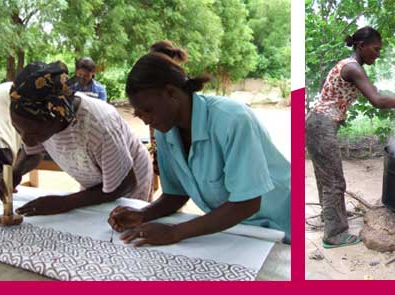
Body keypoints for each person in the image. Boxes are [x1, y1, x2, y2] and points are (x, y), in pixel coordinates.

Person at [108, 41, 291, 246]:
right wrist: (143, 214)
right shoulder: (165, 131)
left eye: (148, 110)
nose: (145, 120)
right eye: (138, 114)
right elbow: (176, 193)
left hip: (279, 229)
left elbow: (247, 204)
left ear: (171, 93)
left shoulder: (233, 120)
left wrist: (175, 233)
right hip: (234, 232)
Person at [305, 26, 395, 249]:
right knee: (334, 181)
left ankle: (330, 219)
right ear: (361, 46)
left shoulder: (352, 66)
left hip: (317, 123)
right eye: (376, 49)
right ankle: (334, 235)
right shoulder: (353, 68)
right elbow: (378, 101)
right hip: (321, 125)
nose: (378, 54)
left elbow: (376, 94)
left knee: (326, 178)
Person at [0, 61, 153, 215]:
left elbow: (125, 184)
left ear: (57, 118)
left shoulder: (99, 126)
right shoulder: (36, 123)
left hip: (129, 182)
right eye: (18, 130)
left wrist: (64, 203)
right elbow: (32, 153)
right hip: (97, 182)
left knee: (120, 232)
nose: (26, 139)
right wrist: (17, 171)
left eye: (34, 134)